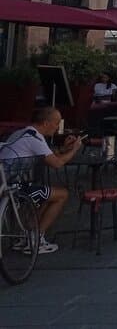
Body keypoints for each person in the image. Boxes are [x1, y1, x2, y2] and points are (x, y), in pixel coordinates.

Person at [0, 107, 84, 254]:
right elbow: (56, 164)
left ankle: (28, 235)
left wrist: (64, 148)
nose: (58, 127)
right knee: (62, 194)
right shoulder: (35, 139)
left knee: (46, 193)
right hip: (16, 187)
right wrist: (74, 149)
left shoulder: (23, 133)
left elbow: (48, 155)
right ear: (46, 123)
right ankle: (36, 239)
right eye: (57, 123)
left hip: (6, 182)